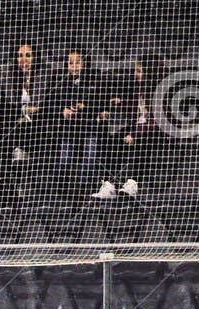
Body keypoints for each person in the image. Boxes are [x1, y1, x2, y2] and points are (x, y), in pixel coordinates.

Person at [92, 55, 162, 199]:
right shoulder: (140, 88)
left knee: (139, 143)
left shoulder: (161, 92)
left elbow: (157, 122)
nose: (136, 74)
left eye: (139, 71)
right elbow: (134, 107)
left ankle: (132, 183)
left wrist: (135, 134)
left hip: (154, 133)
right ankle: (109, 185)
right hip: (138, 127)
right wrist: (121, 102)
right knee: (112, 139)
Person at [54, 49, 102, 192]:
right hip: (69, 127)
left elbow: (100, 101)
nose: (74, 66)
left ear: (85, 64)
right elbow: (55, 102)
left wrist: (85, 106)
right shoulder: (61, 82)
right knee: (65, 159)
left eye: (78, 63)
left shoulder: (94, 80)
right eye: (70, 63)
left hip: (88, 126)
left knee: (90, 155)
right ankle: (63, 189)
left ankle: (84, 187)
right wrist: (63, 110)